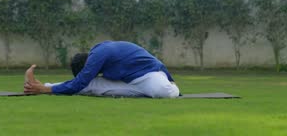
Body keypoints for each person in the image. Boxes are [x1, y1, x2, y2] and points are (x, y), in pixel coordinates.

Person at [24, 41, 180, 98]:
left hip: (149, 76)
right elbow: (81, 82)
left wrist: (170, 80)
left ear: (87, 66)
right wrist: (45, 89)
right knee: (89, 86)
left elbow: (80, 82)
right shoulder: (97, 58)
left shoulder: (99, 53)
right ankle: (42, 86)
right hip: (127, 82)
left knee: (163, 92)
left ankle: (173, 88)